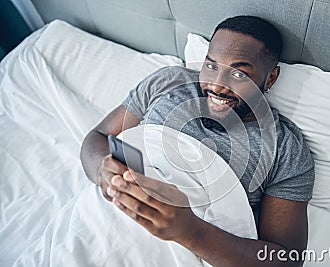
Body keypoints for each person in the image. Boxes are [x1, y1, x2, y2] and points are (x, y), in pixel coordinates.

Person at [80, 15, 314, 266]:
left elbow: (286, 260)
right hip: (98, 228)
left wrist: (190, 232)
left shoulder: (285, 148)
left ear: (270, 78)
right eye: (211, 66)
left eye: (238, 74)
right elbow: (97, 137)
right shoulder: (168, 83)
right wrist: (103, 173)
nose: (217, 86)